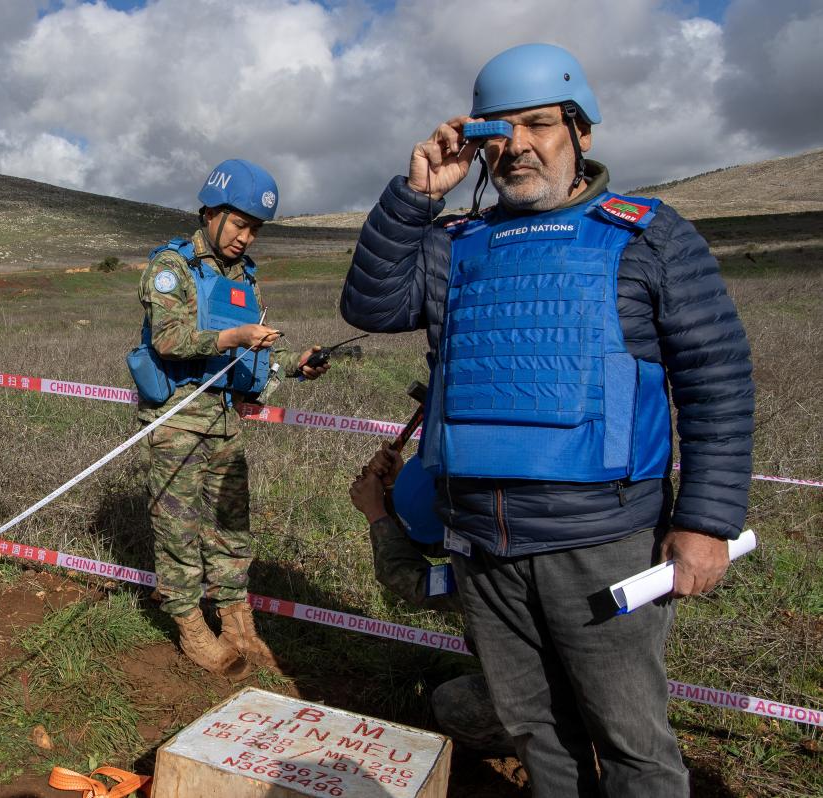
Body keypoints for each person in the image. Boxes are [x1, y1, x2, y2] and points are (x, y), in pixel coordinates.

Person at [340, 42, 754, 797]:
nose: (517, 146)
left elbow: (716, 380)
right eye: (499, 131)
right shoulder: (454, 245)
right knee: (538, 733)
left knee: (631, 742)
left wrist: (706, 521)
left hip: (603, 543)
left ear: (581, 132)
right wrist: (416, 194)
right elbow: (369, 305)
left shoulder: (649, 235)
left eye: (539, 124)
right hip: (482, 544)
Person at [128, 159, 329, 678]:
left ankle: (238, 621)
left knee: (232, 529)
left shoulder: (245, 280)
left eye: (255, 230)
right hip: (176, 422)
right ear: (211, 212)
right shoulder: (172, 268)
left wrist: (295, 369)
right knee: (178, 528)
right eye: (240, 224)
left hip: (224, 423)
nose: (246, 238)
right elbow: (169, 340)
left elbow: (250, 368)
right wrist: (234, 338)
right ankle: (190, 623)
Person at [350, 444, 512, 755]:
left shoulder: (490, 575)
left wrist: (377, 514)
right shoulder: (494, 514)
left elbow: (417, 582)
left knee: (454, 704)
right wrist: (398, 491)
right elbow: (440, 544)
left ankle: (550, 743)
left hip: (571, 693)